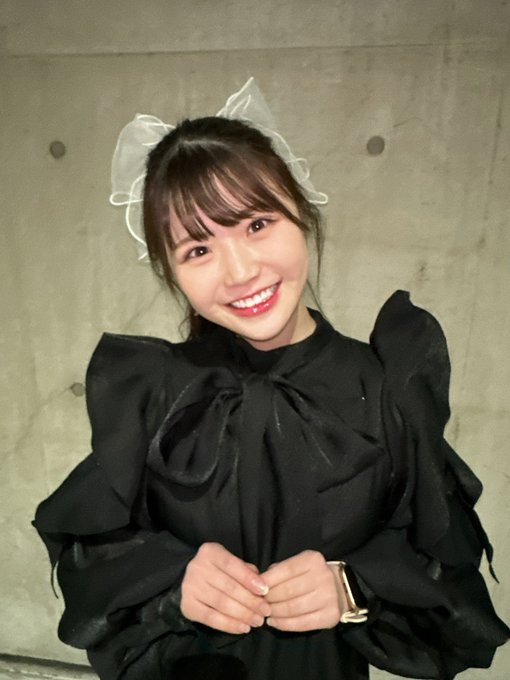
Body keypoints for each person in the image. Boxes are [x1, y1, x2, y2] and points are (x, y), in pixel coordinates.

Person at [34, 80, 509, 680]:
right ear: (170, 271)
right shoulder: (155, 392)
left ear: (301, 212)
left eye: (257, 224)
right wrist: (173, 581)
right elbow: (90, 564)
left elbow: (453, 594)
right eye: (198, 250)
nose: (239, 271)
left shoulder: (387, 388)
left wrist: (353, 588)